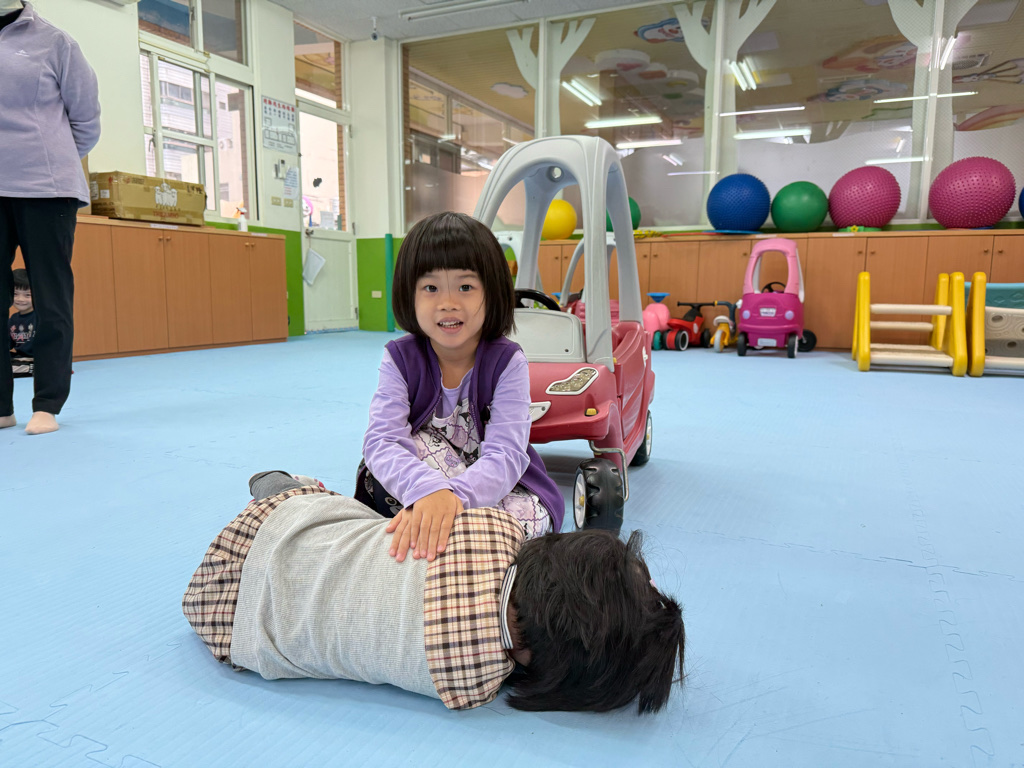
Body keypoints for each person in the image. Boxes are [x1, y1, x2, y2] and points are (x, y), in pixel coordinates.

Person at [183, 471, 686, 713]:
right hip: (230, 627)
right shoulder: (471, 685)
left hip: (278, 525)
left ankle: (283, 482)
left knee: (363, 528)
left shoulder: (495, 528)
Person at [357, 211, 564, 563]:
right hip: (427, 479)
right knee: (405, 452)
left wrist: (452, 498)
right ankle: (441, 530)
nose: (448, 302)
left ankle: (444, 532)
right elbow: (383, 440)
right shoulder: (399, 357)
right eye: (431, 288)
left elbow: (507, 454)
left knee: (527, 523)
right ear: (409, 294)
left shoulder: (508, 361)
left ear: (491, 292)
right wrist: (427, 490)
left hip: (495, 485)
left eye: (465, 287)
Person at [1, 1, 101, 434]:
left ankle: (47, 403)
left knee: (50, 296)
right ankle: (2, 407)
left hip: (46, 187)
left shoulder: (54, 41)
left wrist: (48, 157)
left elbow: (86, 119)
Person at [8, 268, 34, 377]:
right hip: (20, 358)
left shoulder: (41, 317)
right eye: (15, 294)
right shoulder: (13, 319)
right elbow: (8, 344)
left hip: (36, 360)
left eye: (27, 295)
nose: (20, 299)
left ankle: (36, 369)